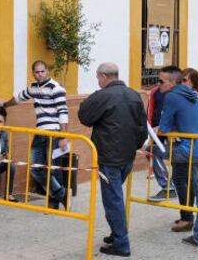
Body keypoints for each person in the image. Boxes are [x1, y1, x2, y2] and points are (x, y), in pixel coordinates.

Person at [78, 62, 147, 257]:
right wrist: (135, 146)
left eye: (98, 78)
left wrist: (93, 98)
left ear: (103, 76)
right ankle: (117, 233)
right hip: (127, 156)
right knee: (115, 197)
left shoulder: (103, 96)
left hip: (109, 157)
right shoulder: (134, 95)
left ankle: (121, 244)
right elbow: (142, 126)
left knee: (113, 200)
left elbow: (84, 116)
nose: (98, 81)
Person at [0, 60, 69, 210]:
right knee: (35, 168)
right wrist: (4, 104)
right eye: (37, 72)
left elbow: (63, 112)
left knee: (54, 168)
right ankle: (61, 194)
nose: (40, 74)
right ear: (33, 73)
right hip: (39, 132)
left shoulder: (57, 88)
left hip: (54, 132)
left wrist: (64, 137)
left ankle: (54, 202)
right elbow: (18, 98)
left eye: (42, 71)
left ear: (47, 71)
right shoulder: (33, 88)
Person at [150, 66, 198, 246]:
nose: (158, 84)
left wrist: (155, 131)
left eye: (161, 81)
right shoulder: (191, 94)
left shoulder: (171, 97)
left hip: (187, 150)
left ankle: (167, 188)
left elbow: (164, 129)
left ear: (172, 82)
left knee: (151, 151)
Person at [146, 67, 180, 202]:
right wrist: (149, 129)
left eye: (161, 81)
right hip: (156, 130)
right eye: (158, 80)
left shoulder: (179, 95)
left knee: (178, 157)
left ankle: (176, 185)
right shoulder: (155, 92)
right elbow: (150, 110)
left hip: (173, 130)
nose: (159, 83)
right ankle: (167, 186)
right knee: (152, 153)